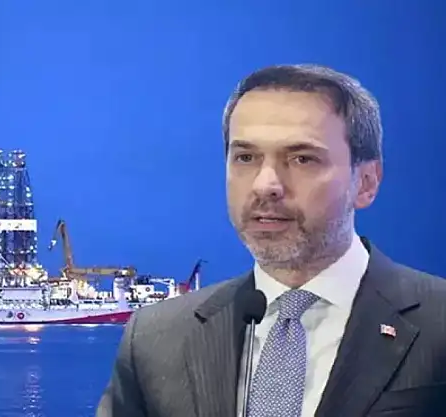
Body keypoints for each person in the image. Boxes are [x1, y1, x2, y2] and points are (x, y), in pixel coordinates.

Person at [96, 64, 446, 417]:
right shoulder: (155, 339)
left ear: (367, 182)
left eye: (302, 159)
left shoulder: (437, 322)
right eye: (246, 157)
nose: (265, 185)